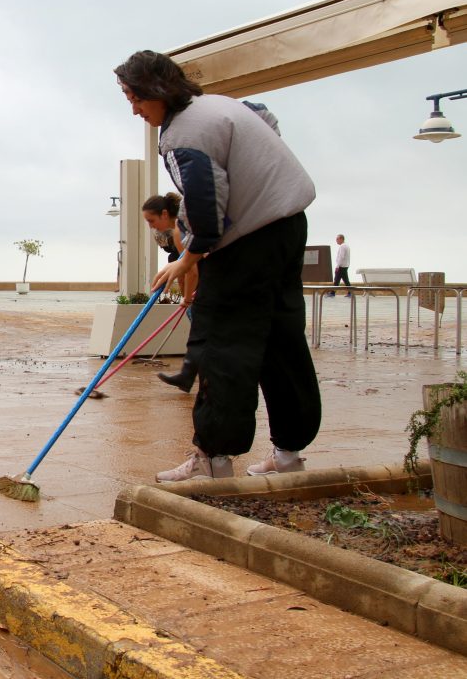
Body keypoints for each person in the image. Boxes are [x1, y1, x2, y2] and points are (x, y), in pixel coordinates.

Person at [115, 49, 321, 482]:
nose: (133, 109)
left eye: (134, 97)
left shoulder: (183, 133)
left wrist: (187, 257)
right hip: (288, 226)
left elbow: (207, 203)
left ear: (157, 89)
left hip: (245, 243)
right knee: (281, 339)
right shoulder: (223, 105)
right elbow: (266, 119)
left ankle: (214, 458)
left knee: (221, 346)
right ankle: (288, 453)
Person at [142, 193, 199, 393]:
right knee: (201, 335)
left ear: (165, 214)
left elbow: (191, 271)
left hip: (202, 293)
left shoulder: (180, 232)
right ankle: (188, 376)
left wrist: (186, 298)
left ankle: (190, 377)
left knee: (202, 335)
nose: (151, 226)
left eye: (152, 220)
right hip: (206, 291)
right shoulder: (187, 226)